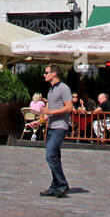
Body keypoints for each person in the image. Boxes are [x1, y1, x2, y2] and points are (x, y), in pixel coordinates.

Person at [41, 63, 73, 197]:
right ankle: (55, 186)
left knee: (50, 155)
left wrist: (51, 112)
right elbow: (50, 109)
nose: (44, 74)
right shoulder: (51, 89)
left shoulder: (64, 88)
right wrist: (42, 119)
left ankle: (62, 184)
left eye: (46, 72)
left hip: (60, 126)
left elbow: (69, 107)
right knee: (55, 157)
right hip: (51, 126)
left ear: (54, 74)